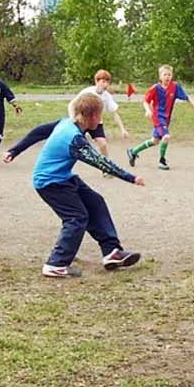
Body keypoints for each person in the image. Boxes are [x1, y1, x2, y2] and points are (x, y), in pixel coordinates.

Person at [19, 92, 145, 278]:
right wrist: (131, 178)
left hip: (63, 177)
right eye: (100, 116)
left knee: (95, 202)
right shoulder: (74, 138)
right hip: (49, 183)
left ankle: (112, 252)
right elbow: (101, 162)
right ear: (93, 116)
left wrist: (14, 150)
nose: (100, 120)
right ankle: (56, 264)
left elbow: (40, 131)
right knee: (76, 218)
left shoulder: (68, 123)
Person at [126, 64, 194, 170]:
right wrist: (148, 110)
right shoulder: (155, 88)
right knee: (166, 137)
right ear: (160, 77)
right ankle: (162, 161)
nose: (167, 77)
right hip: (157, 117)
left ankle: (133, 151)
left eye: (169, 75)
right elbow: (146, 101)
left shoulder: (175, 87)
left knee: (155, 141)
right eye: (165, 74)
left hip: (166, 119)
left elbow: (186, 97)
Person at [68, 69, 129, 162]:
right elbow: (72, 105)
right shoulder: (87, 92)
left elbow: (114, 113)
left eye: (107, 82)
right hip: (82, 122)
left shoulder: (107, 96)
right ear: (96, 81)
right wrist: (73, 118)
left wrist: (122, 129)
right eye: (103, 81)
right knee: (74, 145)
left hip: (96, 123)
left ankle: (107, 167)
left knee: (103, 144)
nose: (106, 84)